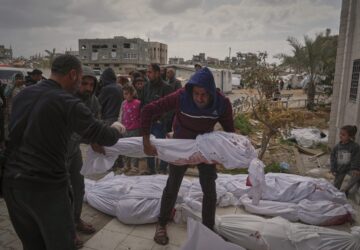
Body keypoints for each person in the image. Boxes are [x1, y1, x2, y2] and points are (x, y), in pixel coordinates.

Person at [1, 55, 124, 250]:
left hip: (13, 185)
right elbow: (104, 136)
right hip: (45, 188)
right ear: (73, 74)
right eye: (81, 79)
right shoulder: (67, 102)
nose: (84, 86)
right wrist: (117, 128)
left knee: (33, 245)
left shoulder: (24, 94)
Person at [141, 67, 234, 245]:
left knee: (209, 188)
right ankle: (161, 224)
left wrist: (229, 152)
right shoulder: (181, 96)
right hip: (182, 144)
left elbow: (230, 132)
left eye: (204, 94)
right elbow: (148, 110)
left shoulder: (221, 103)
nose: (199, 98)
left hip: (205, 146)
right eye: (196, 93)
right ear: (191, 90)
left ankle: (208, 228)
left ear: (212, 93)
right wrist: (146, 140)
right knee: (173, 184)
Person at [65, 66, 106, 248]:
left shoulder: (94, 101)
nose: (88, 88)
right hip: (57, 154)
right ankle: (67, 231)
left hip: (73, 152)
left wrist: (96, 139)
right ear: (76, 82)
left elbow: (94, 124)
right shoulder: (65, 100)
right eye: (84, 83)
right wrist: (90, 138)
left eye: (92, 84)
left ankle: (76, 219)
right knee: (64, 194)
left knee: (79, 187)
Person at [141, 63, 172, 175]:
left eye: (150, 72)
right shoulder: (146, 87)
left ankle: (162, 169)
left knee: (162, 146)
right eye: (147, 72)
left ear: (157, 73)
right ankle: (151, 169)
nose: (148, 74)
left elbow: (170, 108)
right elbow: (143, 104)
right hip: (148, 124)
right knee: (148, 144)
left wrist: (164, 121)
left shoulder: (166, 88)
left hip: (161, 124)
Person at [118, 84, 141, 175]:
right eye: (124, 94)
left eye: (127, 94)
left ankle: (134, 167)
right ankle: (126, 165)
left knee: (134, 148)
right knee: (125, 148)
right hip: (125, 129)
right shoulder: (123, 103)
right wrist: (120, 125)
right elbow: (121, 114)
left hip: (135, 129)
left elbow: (141, 116)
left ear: (132, 94)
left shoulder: (138, 103)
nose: (125, 96)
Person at [331, 125, 360, 195]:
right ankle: (336, 193)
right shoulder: (337, 147)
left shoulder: (355, 147)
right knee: (335, 187)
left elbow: (356, 158)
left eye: (343, 135)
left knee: (357, 175)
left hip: (350, 168)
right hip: (340, 169)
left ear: (350, 136)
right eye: (340, 133)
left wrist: (355, 168)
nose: (340, 136)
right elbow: (333, 158)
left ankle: (345, 190)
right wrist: (333, 169)